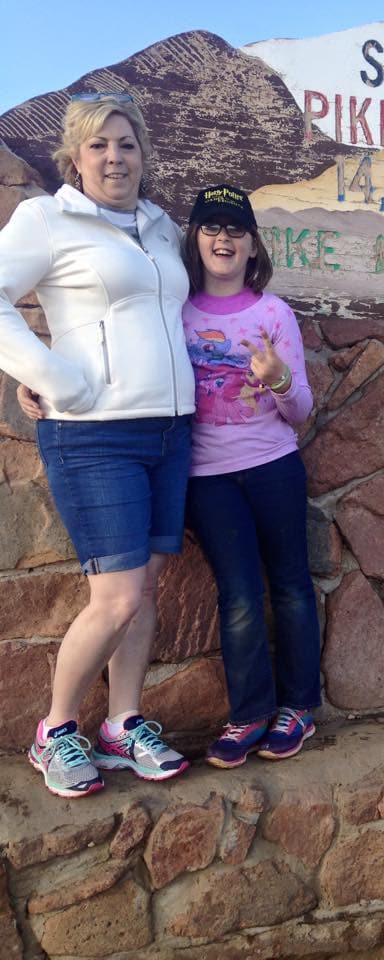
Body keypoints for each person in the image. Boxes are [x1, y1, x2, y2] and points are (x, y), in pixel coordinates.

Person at [5, 92, 197, 798]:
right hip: (94, 435)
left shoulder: (159, 227)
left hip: (169, 430)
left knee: (143, 591)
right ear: (74, 156)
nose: (114, 157)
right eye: (99, 145)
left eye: (126, 144)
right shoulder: (47, 219)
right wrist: (50, 377)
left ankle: (122, 723)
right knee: (114, 598)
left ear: (143, 155)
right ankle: (55, 732)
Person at [181, 184, 321, 768]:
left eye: (235, 228)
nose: (222, 237)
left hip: (273, 466)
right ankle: (249, 715)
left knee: (290, 585)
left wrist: (281, 379)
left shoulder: (273, 314)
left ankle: (299, 708)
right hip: (207, 477)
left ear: (253, 248)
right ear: (194, 241)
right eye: (211, 227)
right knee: (238, 594)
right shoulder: (178, 311)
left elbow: (302, 410)